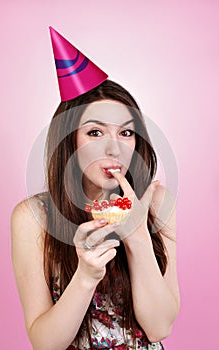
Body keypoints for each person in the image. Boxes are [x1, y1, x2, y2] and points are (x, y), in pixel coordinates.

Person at [11, 28, 180, 350]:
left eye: (126, 133)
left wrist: (138, 236)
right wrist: (86, 275)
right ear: (69, 141)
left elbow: (159, 328)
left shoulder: (157, 202)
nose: (114, 149)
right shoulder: (33, 216)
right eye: (95, 132)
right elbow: (45, 343)